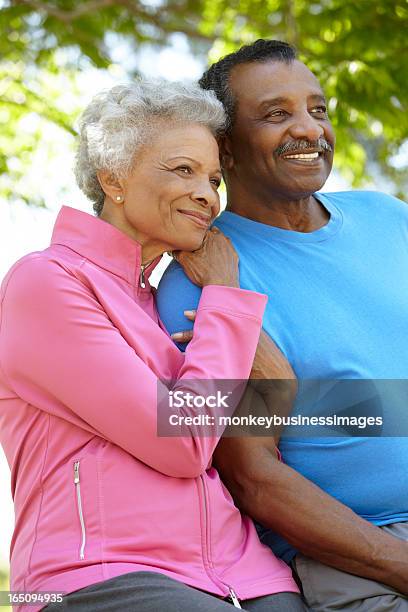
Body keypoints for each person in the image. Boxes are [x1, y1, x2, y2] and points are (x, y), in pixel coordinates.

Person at [0, 79, 306, 612]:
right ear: (113, 178)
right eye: (182, 170)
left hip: (246, 574)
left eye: (213, 178)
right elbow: (183, 441)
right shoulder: (46, 283)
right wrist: (226, 297)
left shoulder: (170, 299)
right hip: (96, 573)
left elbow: (263, 424)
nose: (207, 194)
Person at [156, 40, 408, 611]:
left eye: (317, 110)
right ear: (225, 147)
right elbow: (254, 479)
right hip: (359, 561)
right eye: (276, 114)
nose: (308, 130)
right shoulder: (203, 282)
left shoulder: (389, 219)